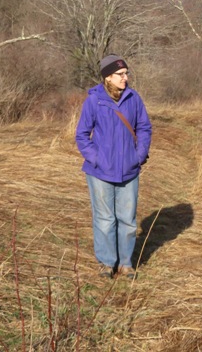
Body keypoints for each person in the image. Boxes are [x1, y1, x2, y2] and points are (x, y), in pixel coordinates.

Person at [75, 54, 152, 279]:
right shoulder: (94, 100)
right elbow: (81, 135)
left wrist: (138, 156)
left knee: (127, 219)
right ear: (108, 77)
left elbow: (144, 128)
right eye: (120, 74)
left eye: (126, 73)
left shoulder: (133, 98)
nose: (125, 78)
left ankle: (126, 264)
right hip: (100, 171)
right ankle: (107, 263)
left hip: (129, 170)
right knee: (105, 218)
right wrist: (96, 158)